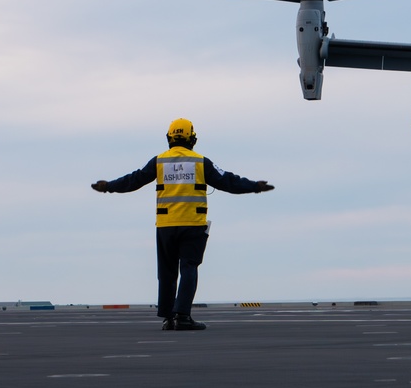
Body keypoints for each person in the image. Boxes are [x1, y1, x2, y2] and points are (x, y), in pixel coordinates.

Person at [91, 118, 274, 330]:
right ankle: (183, 317)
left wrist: (108, 187)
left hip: (165, 225)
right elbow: (228, 181)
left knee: (166, 273)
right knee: (189, 267)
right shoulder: (200, 162)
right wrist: (255, 186)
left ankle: (169, 318)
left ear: (169, 138)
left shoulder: (158, 162)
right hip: (193, 224)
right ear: (192, 139)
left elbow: (134, 180)